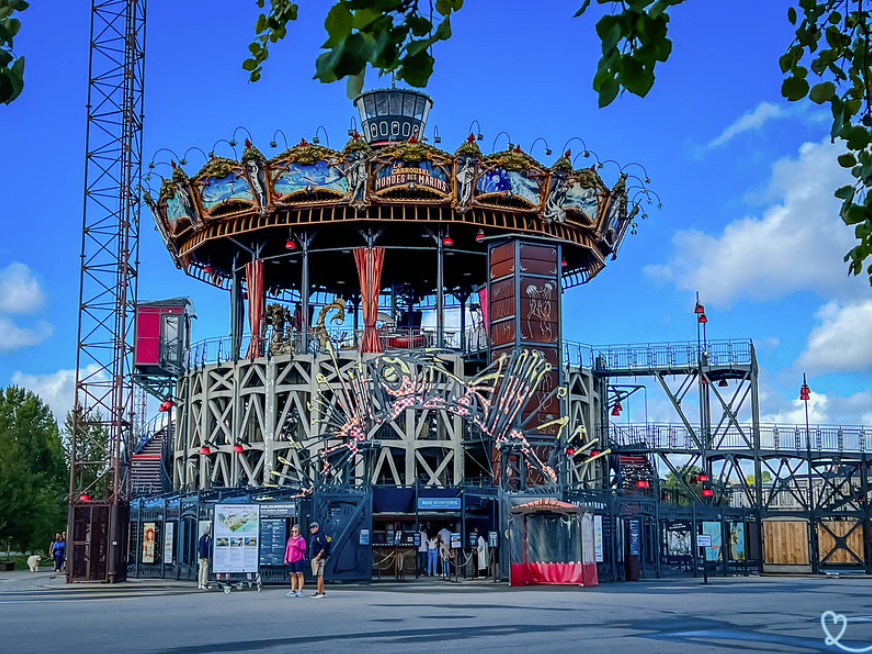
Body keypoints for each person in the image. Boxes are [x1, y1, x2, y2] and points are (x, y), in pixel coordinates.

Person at [284, 524, 306, 598]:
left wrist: (297, 546)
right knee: (292, 574)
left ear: (298, 531)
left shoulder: (301, 539)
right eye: (292, 531)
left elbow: (304, 549)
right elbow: (287, 549)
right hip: (291, 559)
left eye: (295, 531)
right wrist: (286, 558)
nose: (294, 533)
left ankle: (300, 590)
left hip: (299, 558)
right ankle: (293, 590)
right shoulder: (290, 539)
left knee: (299, 574)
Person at [309, 522, 329, 599]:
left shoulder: (320, 535)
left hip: (318, 558)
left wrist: (319, 555)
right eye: (311, 528)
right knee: (319, 575)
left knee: (319, 575)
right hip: (316, 557)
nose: (311, 529)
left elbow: (325, 545)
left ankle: (319, 592)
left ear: (317, 527)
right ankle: (322, 591)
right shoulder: (315, 535)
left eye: (313, 527)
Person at [197, 525, 212, 590]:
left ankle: (200, 584)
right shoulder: (207, 538)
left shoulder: (201, 538)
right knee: (205, 569)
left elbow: (198, 547)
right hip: (205, 556)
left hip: (201, 556)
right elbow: (208, 547)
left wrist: (201, 555)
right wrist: (206, 556)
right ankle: (204, 583)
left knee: (201, 569)